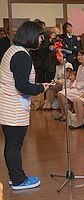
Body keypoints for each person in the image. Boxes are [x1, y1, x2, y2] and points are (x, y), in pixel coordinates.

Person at [0, 21, 49, 190]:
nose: (41, 40)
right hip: (13, 107)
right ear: (31, 36)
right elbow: (22, 85)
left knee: (11, 143)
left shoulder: (13, 50)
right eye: (40, 36)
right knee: (14, 144)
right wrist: (41, 87)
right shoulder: (21, 55)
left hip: (8, 105)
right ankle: (19, 180)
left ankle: (15, 177)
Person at [56, 49, 84, 121]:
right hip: (77, 87)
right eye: (78, 55)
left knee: (63, 94)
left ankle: (67, 115)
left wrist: (76, 86)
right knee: (59, 93)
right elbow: (77, 79)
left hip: (83, 89)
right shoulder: (80, 66)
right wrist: (73, 86)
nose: (79, 57)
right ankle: (63, 113)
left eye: (81, 55)